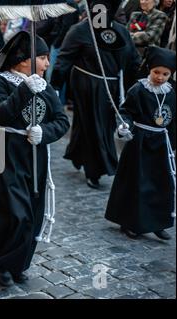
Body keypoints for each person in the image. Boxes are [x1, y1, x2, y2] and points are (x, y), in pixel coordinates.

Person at [0, 31, 70, 287]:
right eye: (42, 57)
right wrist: (25, 90)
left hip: (34, 153)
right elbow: (0, 115)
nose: (47, 63)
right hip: (5, 151)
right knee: (13, 212)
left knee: (33, 212)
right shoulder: (0, 82)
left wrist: (45, 132)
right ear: (22, 60)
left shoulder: (44, 84)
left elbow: (61, 121)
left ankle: (18, 263)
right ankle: (1, 261)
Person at [51, 0, 142, 189]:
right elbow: (63, 60)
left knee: (95, 123)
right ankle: (95, 169)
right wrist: (55, 87)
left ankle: (77, 154)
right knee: (94, 125)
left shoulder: (120, 30)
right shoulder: (80, 30)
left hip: (111, 86)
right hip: (86, 84)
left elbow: (133, 61)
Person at [105, 46, 175, 240]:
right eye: (156, 72)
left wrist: (173, 144)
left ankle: (158, 221)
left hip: (161, 142)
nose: (160, 77)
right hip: (140, 142)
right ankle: (130, 221)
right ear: (149, 69)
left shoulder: (171, 92)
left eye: (165, 74)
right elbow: (125, 111)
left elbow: (174, 120)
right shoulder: (139, 89)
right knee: (137, 183)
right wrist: (124, 125)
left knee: (161, 183)